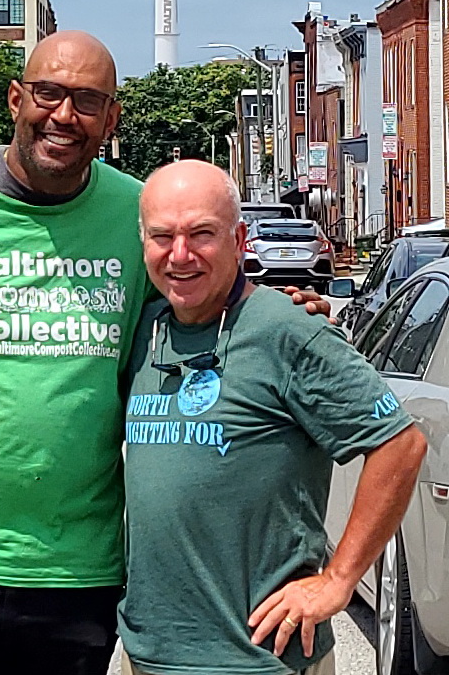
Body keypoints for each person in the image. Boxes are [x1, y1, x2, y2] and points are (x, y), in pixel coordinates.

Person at [0, 32, 330, 675]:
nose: (64, 115)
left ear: (112, 119)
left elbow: (191, 299)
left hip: (71, 575)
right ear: (15, 99)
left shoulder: (133, 214)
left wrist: (275, 306)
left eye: (87, 101)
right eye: (48, 94)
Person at [119, 160, 427, 675]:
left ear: (240, 239)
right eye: (162, 236)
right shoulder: (146, 329)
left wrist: (338, 581)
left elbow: (400, 444)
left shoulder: (287, 330)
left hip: (261, 658)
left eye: (201, 234)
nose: (179, 254)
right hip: (149, 654)